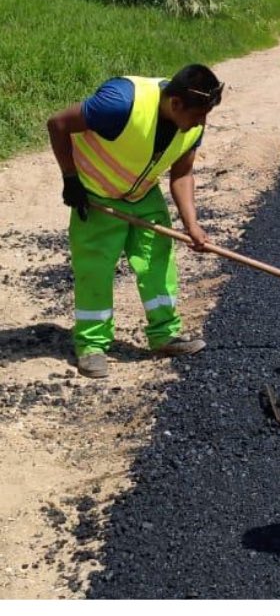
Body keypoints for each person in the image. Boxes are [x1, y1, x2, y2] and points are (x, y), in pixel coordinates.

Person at [47, 64, 222, 379]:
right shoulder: (119, 104)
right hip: (97, 196)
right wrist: (70, 178)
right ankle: (91, 345)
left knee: (158, 261)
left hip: (142, 193)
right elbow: (57, 123)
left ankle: (164, 335)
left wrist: (192, 226)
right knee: (95, 269)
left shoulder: (193, 123)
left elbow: (182, 174)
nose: (202, 122)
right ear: (176, 104)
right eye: (198, 115)